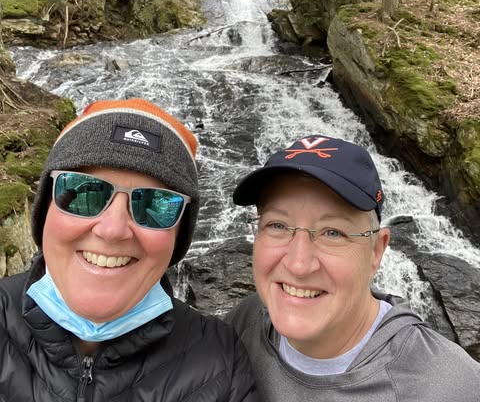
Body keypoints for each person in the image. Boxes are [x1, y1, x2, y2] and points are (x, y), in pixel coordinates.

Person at [0, 98, 258, 401]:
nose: (112, 230)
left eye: (152, 204)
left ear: (178, 236)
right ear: (44, 210)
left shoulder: (222, 360)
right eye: (86, 192)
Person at [226, 134, 480, 401]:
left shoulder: (451, 386)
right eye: (277, 225)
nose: (298, 264)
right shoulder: (243, 324)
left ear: (376, 251)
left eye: (333, 232)